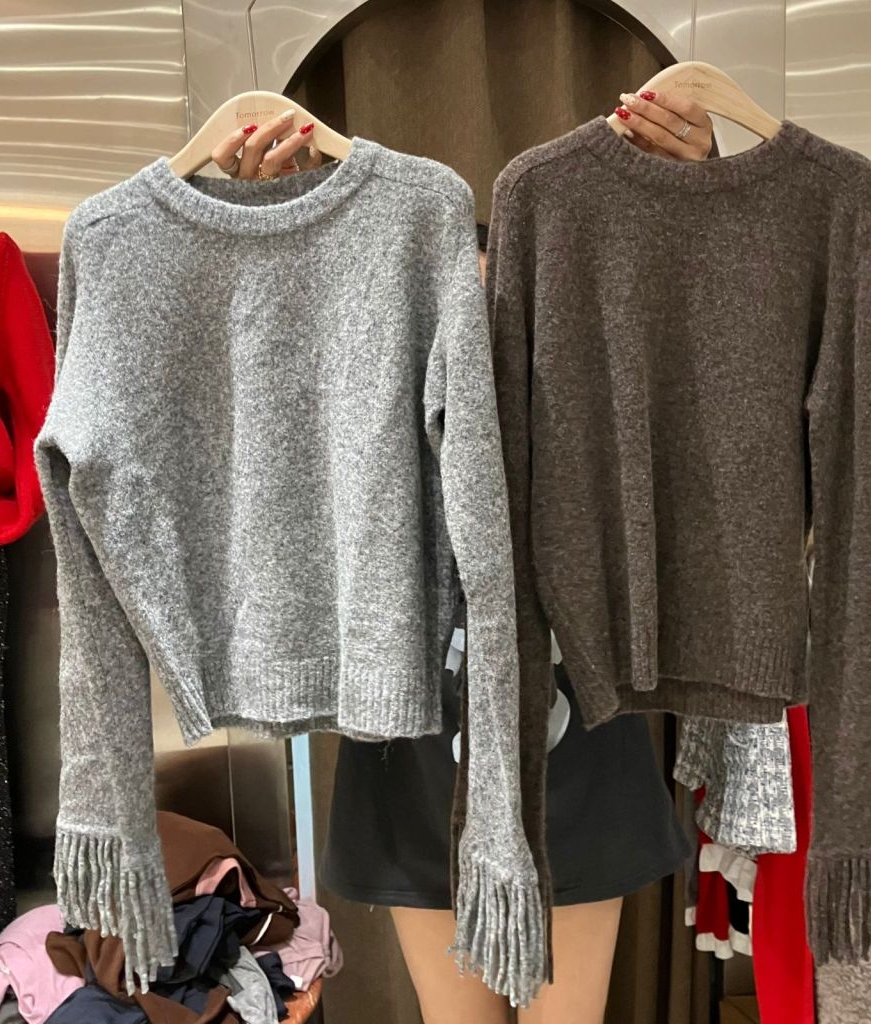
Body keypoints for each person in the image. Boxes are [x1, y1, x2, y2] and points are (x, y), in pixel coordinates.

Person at [210, 90, 715, 1024]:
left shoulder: (582, 383)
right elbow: (269, 390)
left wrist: (700, 209)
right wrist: (265, 232)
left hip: (571, 734)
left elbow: (696, 380)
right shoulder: (368, 381)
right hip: (411, 741)